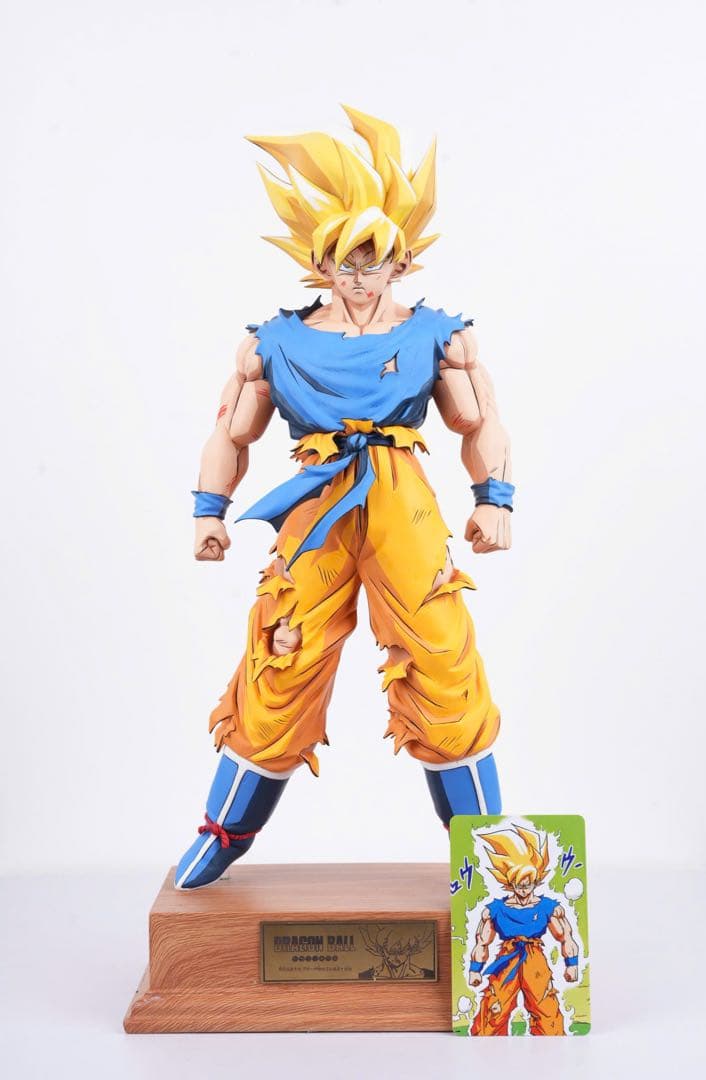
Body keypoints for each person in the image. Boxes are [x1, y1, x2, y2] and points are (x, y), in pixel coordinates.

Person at [175, 106, 514, 890]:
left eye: (375, 258)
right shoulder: (274, 342)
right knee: (282, 653)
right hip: (316, 501)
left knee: (442, 656)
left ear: (401, 262)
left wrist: (494, 497)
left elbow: (480, 419)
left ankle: (488, 857)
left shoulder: (437, 335)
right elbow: (231, 430)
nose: (360, 274)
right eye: (345, 259)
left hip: (402, 502)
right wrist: (208, 511)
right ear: (319, 262)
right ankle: (224, 832)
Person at [468, 826, 580, 1036]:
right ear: (510, 883)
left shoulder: (547, 907)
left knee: (546, 1009)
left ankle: (552, 1046)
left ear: (535, 881)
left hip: (534, 960)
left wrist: (572, 965)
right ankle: (485, 1045)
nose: (523, 888)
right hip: (506, 959)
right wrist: (475, 969)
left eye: (528, 884)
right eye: (519, 884)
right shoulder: (496, 910)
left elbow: (566, 936)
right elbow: (482, 941)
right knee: (494, 1008)